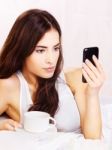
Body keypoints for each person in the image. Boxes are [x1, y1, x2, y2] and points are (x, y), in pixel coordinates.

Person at [0, 9, 105, 139]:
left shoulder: (74, 77)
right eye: (40, 50)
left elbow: (94, 139)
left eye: (56, 48)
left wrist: (93, 93)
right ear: (22, 50)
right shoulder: (9, 86)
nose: (51, 59)